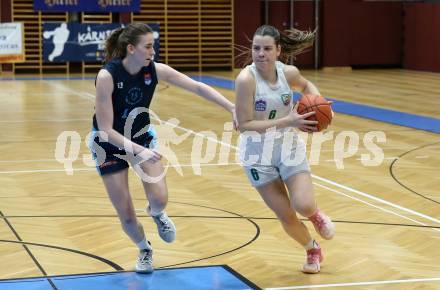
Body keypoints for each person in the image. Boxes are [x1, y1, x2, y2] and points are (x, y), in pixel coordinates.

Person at [89, 23, 237, 273]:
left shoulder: (154, 70)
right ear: (131, 48)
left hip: (141, 137)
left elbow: (197, 86)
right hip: (108, 144)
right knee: (125, 213)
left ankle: (156, 214)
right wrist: (140, 151)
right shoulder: (107, 76)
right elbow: (105, 129)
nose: (153, 51)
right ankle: (144, 249)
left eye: (153, 45)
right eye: (148, 46)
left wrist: (231, 107)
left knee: (159, 199)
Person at [235, 25, 335, 274]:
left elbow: (307, 85)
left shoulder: (288, 73)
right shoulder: (246, 80)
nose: (260, 54)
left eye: (267, 48)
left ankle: (315, 214)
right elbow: (245, 125)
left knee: (302, 204)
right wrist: (287, 121)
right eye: (256, 48)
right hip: (256, 153)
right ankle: (312, 249)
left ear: (278, 50)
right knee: (286, 214)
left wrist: (322, 105)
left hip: (286, 145)